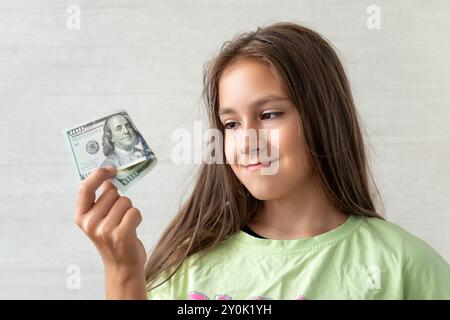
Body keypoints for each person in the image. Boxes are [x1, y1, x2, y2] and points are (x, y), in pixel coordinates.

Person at [74, 22, 450, 300]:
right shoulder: (183, 271)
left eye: (269, 115)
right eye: (232, 124)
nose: (247, 141)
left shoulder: (405, 268)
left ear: (323, 117)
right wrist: (122, 272)